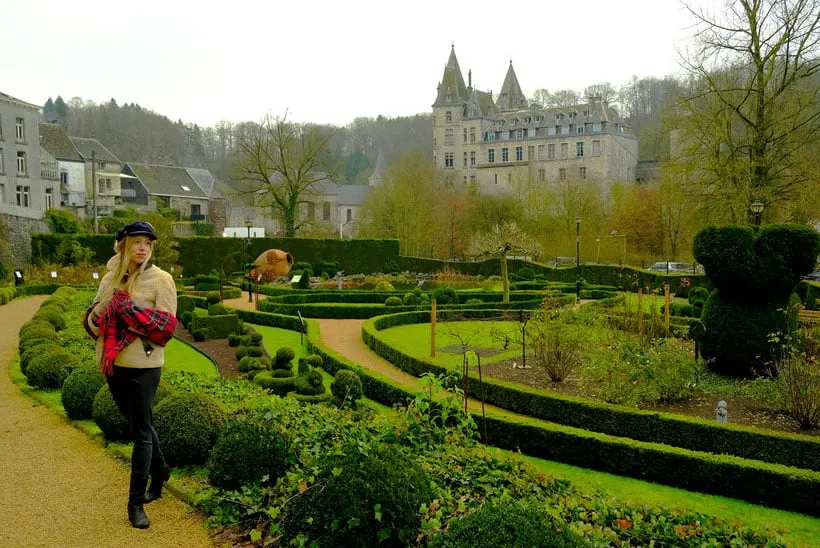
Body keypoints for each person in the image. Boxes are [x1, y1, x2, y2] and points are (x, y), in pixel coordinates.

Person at [83, 221, 178, 529]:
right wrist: (107, 307)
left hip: (145, 365)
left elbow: (166, 327)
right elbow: (92, 325)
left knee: (140, 434)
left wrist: (127, 316)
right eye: (136, 242)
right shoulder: (110, 280)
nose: (142, 248)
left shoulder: (161, 279)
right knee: (140, 425)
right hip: (113, 363)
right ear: (122, 245)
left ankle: (135, 504)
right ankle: (161, 470)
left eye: (147, 243)